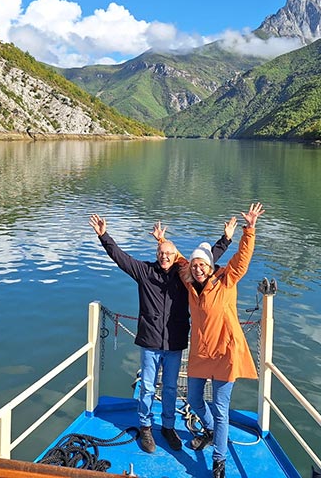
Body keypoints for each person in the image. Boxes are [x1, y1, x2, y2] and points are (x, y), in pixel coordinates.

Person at [88, 213, 236, 454]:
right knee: (147, 387)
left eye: (169, 253)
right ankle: (145, 427)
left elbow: (207, 260)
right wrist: (104, 236)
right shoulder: (144, 272)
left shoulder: (183, 274)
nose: (165, 256)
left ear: (173, 255)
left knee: (169, 388)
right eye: (161, 253)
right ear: (157, 254)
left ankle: (168, 426)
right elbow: (120, 258)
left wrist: (226, 240)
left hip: (175, 344)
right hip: (149, 343)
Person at [178, 202, 264, 478]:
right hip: (201, 353)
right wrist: (161, 241)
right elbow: (176, 258)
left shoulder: (226, 279)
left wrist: (248, 229)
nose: (199, 268)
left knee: (221, 407)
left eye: (203, 264)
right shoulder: (190, 284)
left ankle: (219, 459)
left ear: (210, 265)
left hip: (225, 353)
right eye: (195, 265)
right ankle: (212, 430)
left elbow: (242, 259)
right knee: (193, 398)